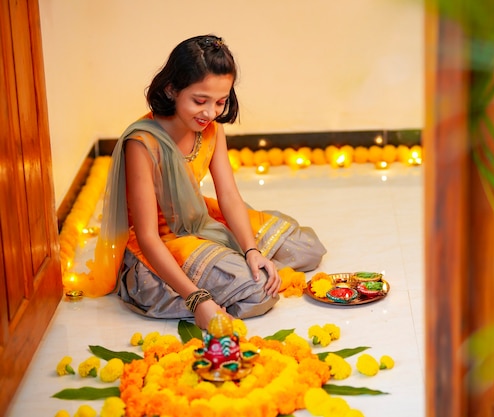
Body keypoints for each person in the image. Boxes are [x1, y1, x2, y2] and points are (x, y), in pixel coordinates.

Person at [88, 34, 326, 329]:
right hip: (164, 241)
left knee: (306, 250)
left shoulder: (211, 129)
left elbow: (228, 196)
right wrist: (196, 300)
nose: (210, 113)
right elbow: (148, 236)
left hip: (200, 219)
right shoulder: (142, 144)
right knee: (257, 292)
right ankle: (204, 280)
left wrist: (252, 251)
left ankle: (234, 266)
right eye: (200, 101)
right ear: (172, 89)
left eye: (220, 102)